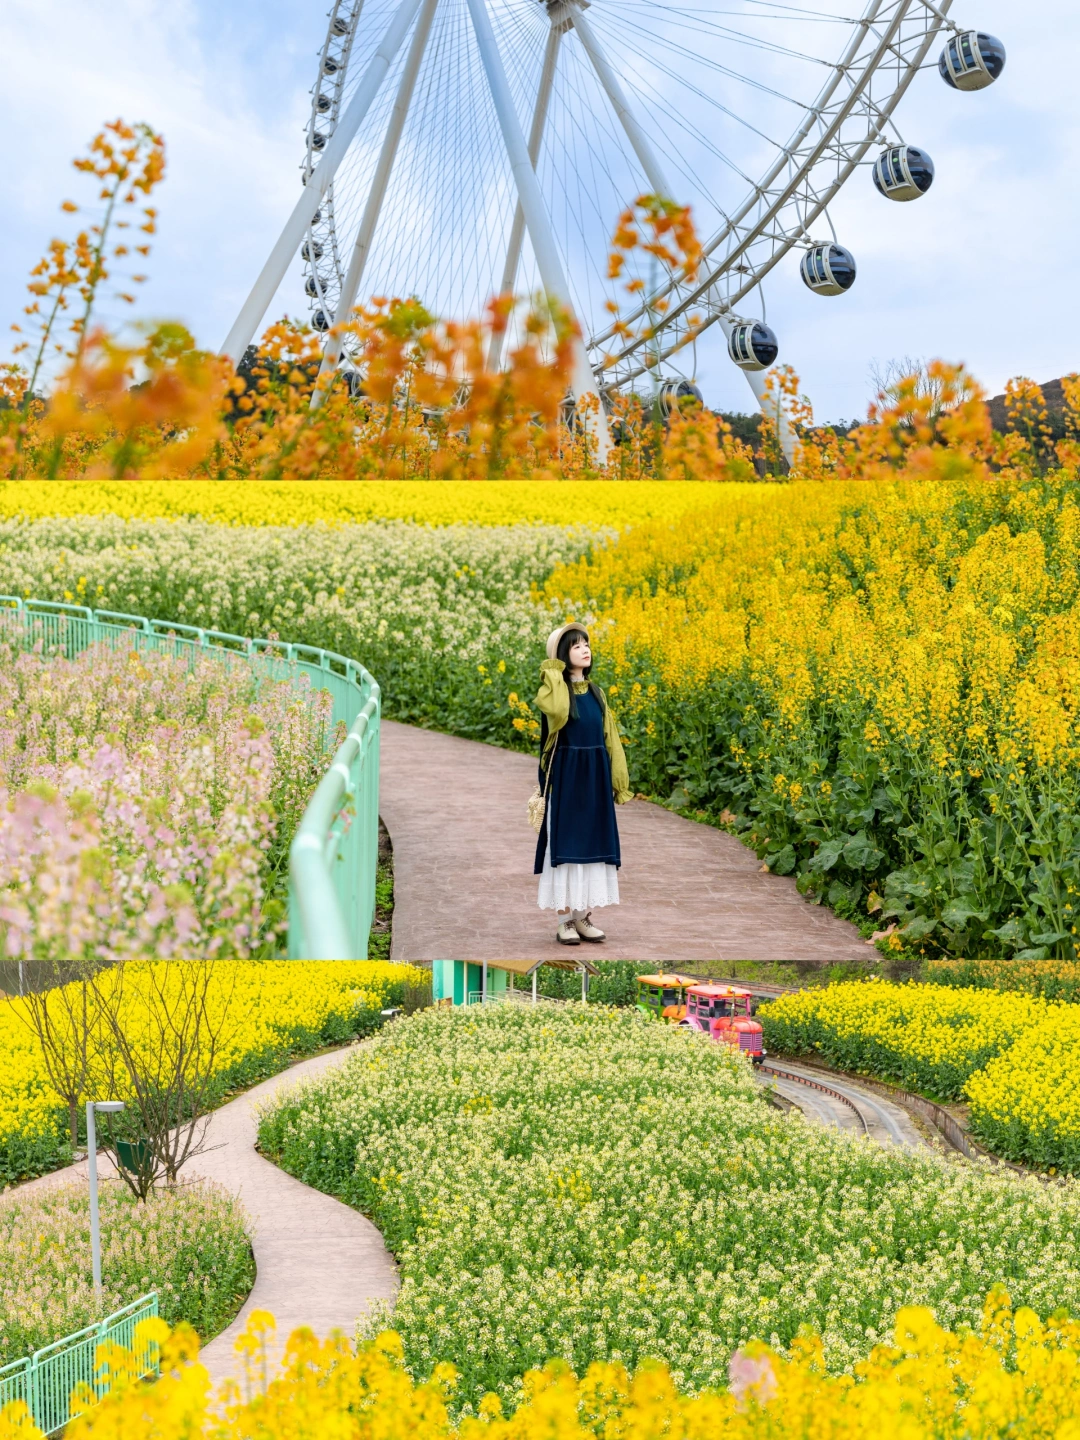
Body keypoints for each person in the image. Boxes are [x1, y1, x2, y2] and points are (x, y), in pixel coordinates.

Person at [534, 623, 632, 945]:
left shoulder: (597, 693)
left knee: (591, 847)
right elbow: (558, 713)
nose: (585, 649)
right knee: (564, 849)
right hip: (567, 777)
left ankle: (581, 917)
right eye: (576, 646)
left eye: (587, 644)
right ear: (563, 654)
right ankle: (564, 921)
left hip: (595, 778)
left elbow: (611, 739)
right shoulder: (555, 693)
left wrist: (618, 780)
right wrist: (554, 671)